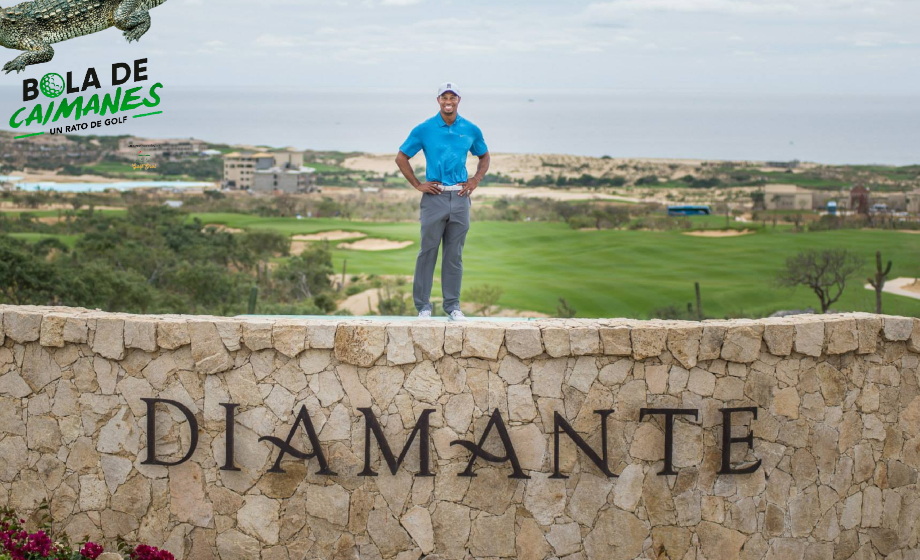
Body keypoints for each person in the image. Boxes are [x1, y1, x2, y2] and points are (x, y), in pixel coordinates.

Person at [395, 82, 490, 321]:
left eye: (453, 97)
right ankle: (423, 307)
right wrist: (418, 184)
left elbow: (484, 155)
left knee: (454, 255)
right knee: (427, 252)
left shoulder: (470, 129)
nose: (448, 101)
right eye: (444, 97)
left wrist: (475, 180)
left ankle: (453, 307)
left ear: (459, 100)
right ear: (438, 100)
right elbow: (401, 157)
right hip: (434, 197)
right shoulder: (424, 129)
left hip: (459, 197)